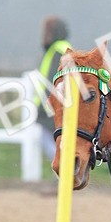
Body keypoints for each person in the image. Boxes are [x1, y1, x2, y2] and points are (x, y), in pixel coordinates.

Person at [33, 16, 71, 161]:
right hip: (55, 102)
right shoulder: (60, 48)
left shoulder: (57, 50)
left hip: (53, 104)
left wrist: (47, 103)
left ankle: (65, 168)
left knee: (48, 137)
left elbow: (52, 80)